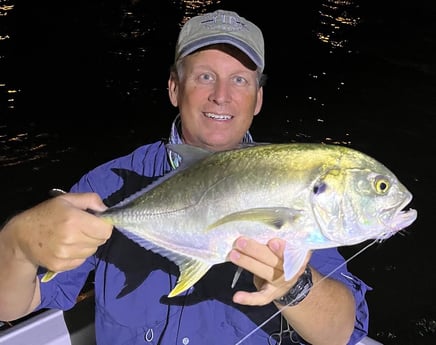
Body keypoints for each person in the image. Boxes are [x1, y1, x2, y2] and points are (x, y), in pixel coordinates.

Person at [0, 9, 370, 345]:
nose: (221, 96)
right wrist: (15, 244)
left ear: (257, 99)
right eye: (205, 76)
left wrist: (294, 285)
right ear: (175, 89)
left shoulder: (290, 181)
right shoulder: (110, 184)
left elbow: (341, 333)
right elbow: (14, 305)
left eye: (240, 80)